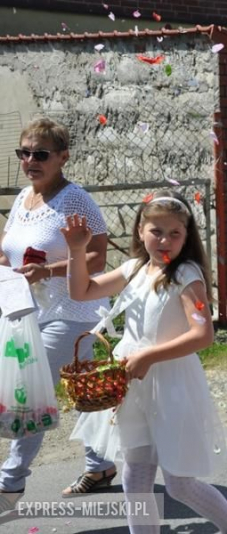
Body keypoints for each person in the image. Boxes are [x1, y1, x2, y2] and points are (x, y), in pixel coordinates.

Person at [63, 191, 227, 534]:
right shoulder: (134, 269)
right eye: (156, 231)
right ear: (140, 230)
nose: (165, 240)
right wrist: (77, 250)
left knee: (179, 483)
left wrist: (149, 355)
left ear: (186, 236)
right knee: (135, 477)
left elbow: (203, 335)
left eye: (174, 233)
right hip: (133, 385)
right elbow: (82, 291)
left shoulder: (186, 275)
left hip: (171, 385)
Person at [0, 118, 117, 496]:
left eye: (41, 154)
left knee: (30, 393)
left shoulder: (75, 199)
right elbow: (7, 252)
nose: (30, 161)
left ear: (63, 157)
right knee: (82, 389)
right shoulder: (24, 197)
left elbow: (97, 257)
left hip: (73, 310)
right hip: (27, 311)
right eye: (24, 153)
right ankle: (100, 466)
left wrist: (48, 271)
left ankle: (9, 484)